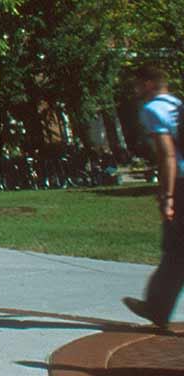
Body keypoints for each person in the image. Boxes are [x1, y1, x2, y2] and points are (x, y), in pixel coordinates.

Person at [124, 66, 183, 329]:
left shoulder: (152, 110)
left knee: (174, 250)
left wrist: (168, 196)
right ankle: (157, 307)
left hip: (181, 184)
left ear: (148, 84)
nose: (134, 90)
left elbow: (167, 156)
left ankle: (156, 307)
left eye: (137, 85)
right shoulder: (176, 105)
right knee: (177, 251)